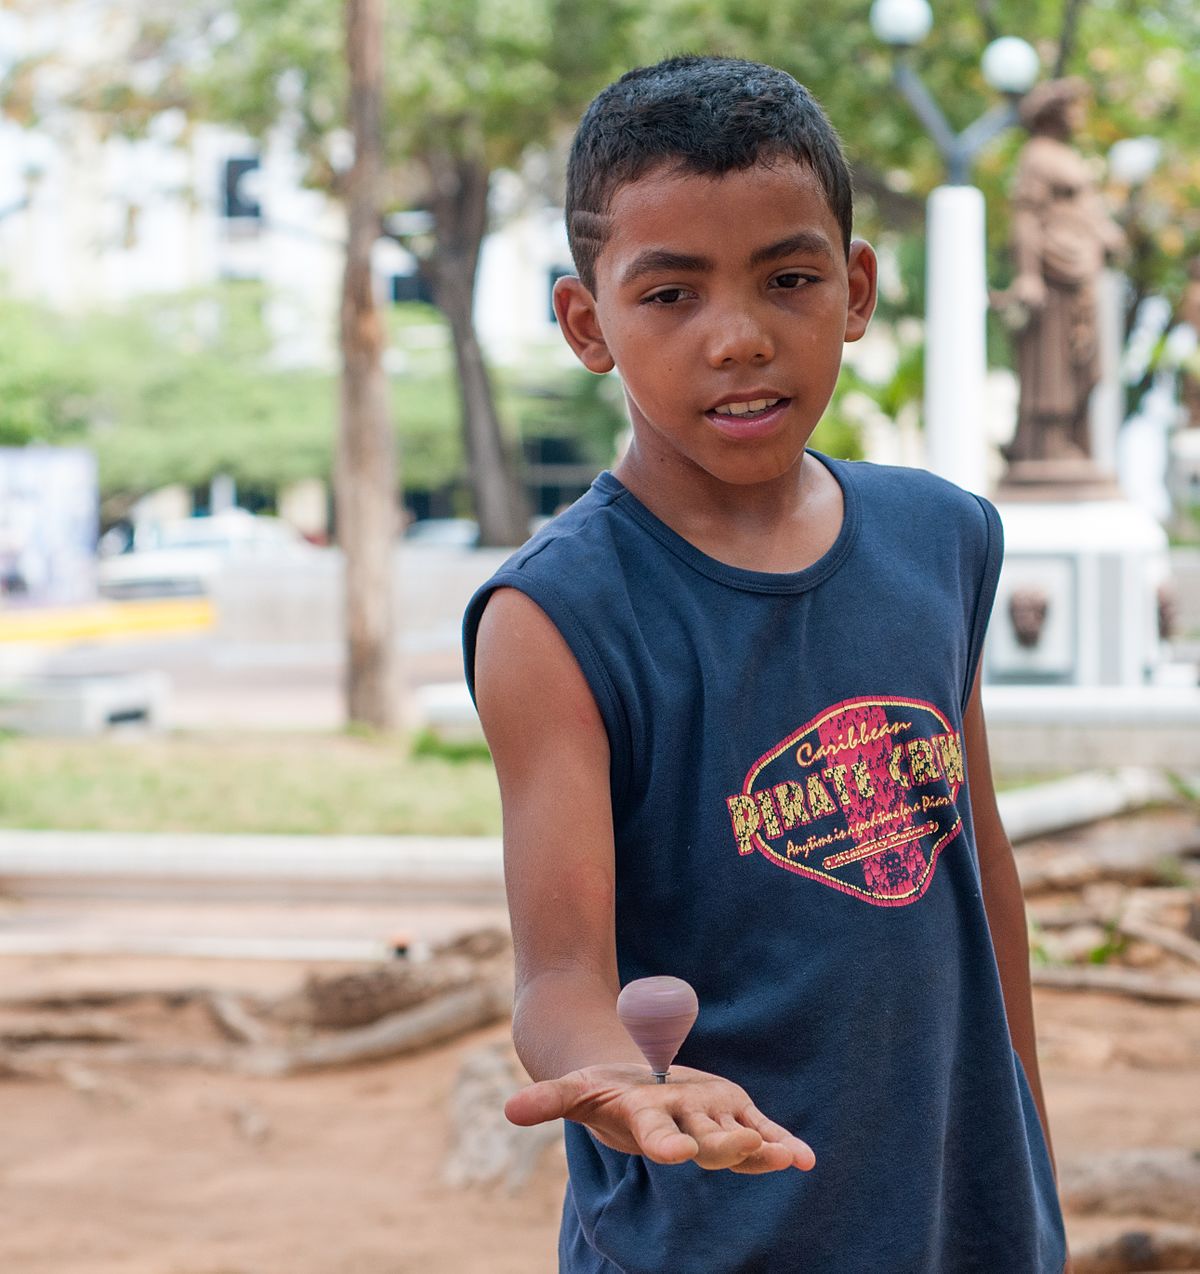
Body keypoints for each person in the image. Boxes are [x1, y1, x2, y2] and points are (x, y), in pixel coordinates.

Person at [463, 56, 1069, 1273]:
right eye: (670, 294)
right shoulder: (556, 613)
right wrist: (619, 1081)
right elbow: (563, 971)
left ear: (853, 290)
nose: (737, 338)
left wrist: (1029, 1160)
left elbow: (979, 870)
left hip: (960, 1213)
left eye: (787, 279)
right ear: (589, 323)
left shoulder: (943, 537)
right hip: (712, 1227)